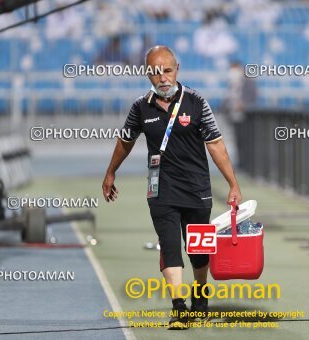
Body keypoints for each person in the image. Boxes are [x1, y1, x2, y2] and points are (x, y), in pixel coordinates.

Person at [102, 45, 242, 330]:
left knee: (198, 250)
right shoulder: (140, 107)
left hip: (197, 188)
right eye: (155, 72)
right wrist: (110, 172)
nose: (162, 77)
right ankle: (179, 307)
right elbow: (125, 141)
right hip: (161, 189)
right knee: (169, 244)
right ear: (147, 74)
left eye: (167, 70)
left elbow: (215, 144)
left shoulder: (196, 102)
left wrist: (232, 183)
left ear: (177, 70)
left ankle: (200, 296)